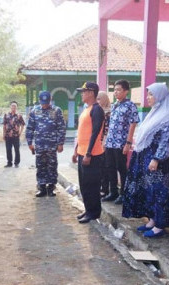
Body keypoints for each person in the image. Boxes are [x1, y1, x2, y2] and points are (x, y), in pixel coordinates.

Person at [122, 83, 169, 238]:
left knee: (161, 192)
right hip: (147, 159)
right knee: (150, 191)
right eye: (148, 94)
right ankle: (153, 220)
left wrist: (156, 159)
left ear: (160, 96)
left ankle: (160, 225)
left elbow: (166, 141)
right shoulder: (154, 113)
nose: (148, 98)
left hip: (160, 164)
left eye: (151, 95)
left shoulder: (168, 116)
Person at [72, 82, 105, 223]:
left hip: (92, 154)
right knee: (84, 184)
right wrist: (76, 150)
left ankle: (94, 212)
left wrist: (88, 153)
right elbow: (82, 133)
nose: (82, 94)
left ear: (91, 93)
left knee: (92, 185)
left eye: (84, 91)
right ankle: (88, 209)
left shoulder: (97, 110)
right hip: (82, 152)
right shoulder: (87, 109)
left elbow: (95, 133)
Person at [102, 80, 139, 205]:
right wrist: (106, 140)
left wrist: (128, 143)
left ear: (126, 91)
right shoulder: (115, 105)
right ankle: (113, 192)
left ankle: (124, 194)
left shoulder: (130, 105)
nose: (116, 92)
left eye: (119, 90)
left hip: (121, 143)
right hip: (110, 142)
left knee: (122, 169)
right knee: (109, 167)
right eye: (115, 90)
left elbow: (133, 124)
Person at [26, 91, 66, 197]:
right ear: (39, 100)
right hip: (39, 144)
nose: (45, 104)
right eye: (43, 102)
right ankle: (42, 187)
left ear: (50, 100)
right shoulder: (34, 111)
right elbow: (30, 127)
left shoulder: (56, 110)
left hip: (52, 144)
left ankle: (51, 187)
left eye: (47, 102)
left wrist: (60, 143)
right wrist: (30, 142)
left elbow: (61, 127)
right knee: (40, 165)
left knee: (52, 165)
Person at [3, 101, 25, 168]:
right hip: (8, 136)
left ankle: (16, 163)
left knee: (17, 149)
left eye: (15, 106)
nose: (13, 107)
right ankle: (9, 163)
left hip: (16, 136)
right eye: (12, 106)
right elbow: (4, 125)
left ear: (16, 107)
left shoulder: (19, 116)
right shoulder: (6, 115)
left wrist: (20, 132)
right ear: (10, 107)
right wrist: (3, 134)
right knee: (8, 149)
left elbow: (23, 125)